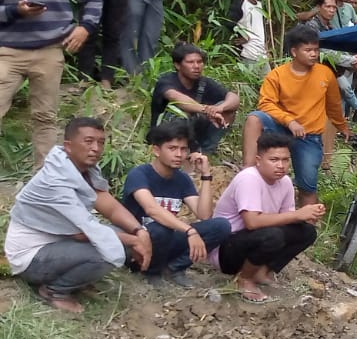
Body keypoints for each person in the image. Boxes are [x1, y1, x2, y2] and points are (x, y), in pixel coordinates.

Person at [4, 117, 152, 312]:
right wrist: (133, 241)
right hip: (31, 258)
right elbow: (82, 233)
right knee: (107, 250)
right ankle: (54, 291)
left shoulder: (83, 169)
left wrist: (139, 232)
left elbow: (109, 205)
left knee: (121, 238)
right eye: (88, 141)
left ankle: (75, 277)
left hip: (58, 243)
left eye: (100, 142)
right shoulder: (54, 181)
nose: (96, 148)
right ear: (68, 146)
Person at [0, 0, 101, 169]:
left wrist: (85, 27)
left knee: (45, 117)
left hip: (49, 51)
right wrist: (15, 10)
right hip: (9, 51)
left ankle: (43, 179)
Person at [211, 128, 324, 302]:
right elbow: (252, 222)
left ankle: (261, 272)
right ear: (258, 160)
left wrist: (306, 216)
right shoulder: (249, 178)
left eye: (285, 160)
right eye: (274, 160)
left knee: (307, 231)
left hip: (254, 241)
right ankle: (244, 279)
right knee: (273, 235)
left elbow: (287, 220)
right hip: (227, 250)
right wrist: (297, 215)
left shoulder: (285, 182)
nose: (281, 165)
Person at [241, 24, 350, 206]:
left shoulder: (325, 74)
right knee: (254, 118)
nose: (313, 54)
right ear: (294, 51)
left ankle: (308, 227)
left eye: (315, 50)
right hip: (281, 128)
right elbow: (266, 103)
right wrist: (289, 120)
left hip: (309, 136)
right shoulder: (277, 75)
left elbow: (333, 105)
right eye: (308, 50)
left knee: (307, 187)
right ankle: (247, 172)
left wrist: (343, 126)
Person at [119, 119, 232, 283]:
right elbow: (152, 210)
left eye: (183, 149)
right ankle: (151, 273)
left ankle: (174, 268)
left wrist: (206, 175)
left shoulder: (182, 179)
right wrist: (189, 231)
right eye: (172, 148)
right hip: (138, 243)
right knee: (161, 228)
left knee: (221, 226)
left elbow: (204, 215)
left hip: (166, 241)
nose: (179, 154)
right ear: (157, 150)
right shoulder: (140, 174)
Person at [150, 42, 240, 155]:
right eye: (190, 62)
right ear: (177, 65)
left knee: (228, 110)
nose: (196, 66)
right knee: (183, 113)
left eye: (199, 62)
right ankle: (181, 152)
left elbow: (234, 98)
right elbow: (178, 99)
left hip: (195, 133)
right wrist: (208, 111)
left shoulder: (204, 82)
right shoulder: (166, 81)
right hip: (164, 135)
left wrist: (220, 108)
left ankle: (205, 152)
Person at [306, 0, 357, 120]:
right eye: (328, 6)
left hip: (332, 68)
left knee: (343, 89)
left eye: (333, 7)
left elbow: (337, 49)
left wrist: (356, 57)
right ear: (319, 8)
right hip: (315, 70)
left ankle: (342, 121)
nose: (332, 10)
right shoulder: (312, 26)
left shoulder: (331, 27)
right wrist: (351, 61)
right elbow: (320, 52)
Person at [227, 0, 269, 70]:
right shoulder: (240, 4)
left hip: (262, 54)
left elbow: (259, 28)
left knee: (269, 84)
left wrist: (266, 47)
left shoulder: (259, 5)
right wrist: (242, 36)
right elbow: (229, 23)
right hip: (248, 53)